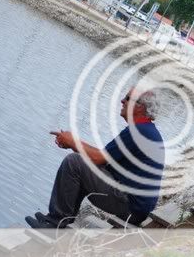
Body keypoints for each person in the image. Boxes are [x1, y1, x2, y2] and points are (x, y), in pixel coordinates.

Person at [25, 87, 165, 229]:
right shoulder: (145, 130)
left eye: (127, 98)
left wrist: (73, 142)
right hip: (135, 207)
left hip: (130, 207)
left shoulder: (139, 131)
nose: (122, 101)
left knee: (74, 162)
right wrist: (72, 143)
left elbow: (98, 158)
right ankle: (60, 219)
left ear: (140, 107)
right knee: (84, 164)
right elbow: (101, 158)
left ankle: (56, 222)